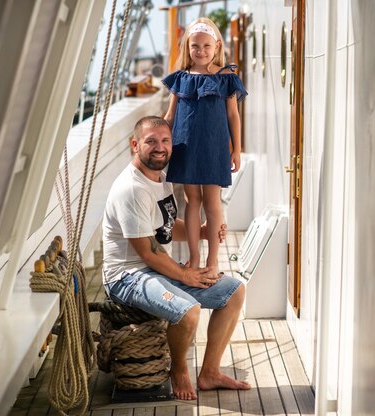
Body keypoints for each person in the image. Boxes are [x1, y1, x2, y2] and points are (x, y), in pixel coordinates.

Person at [102, 116, 251, 400]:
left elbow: (167, 227)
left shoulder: (161, 179)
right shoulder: (131, 189)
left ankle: (209, 373)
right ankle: (179, 370)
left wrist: (205, 232)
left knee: (233, 292)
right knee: (188, 310)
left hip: (156, 270)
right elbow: (146, 251)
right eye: (151, 142)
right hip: (128, 277)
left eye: (165, 141)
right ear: (135, 145)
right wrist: (185, 275)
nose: (160, 148)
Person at [162, 17, 247, 278]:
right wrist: (158, 145)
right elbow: (170, 115)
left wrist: (236, 149)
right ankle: (194, 257)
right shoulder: (180, 78)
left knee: (212, 203)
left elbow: (233, 115)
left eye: (206, 46)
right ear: (187, 46)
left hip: (213, 148)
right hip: (185, 147)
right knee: (191, 201)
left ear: (217, 45)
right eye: (194, 46)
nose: (200, 51)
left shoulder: (226, 78)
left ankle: (212, 260)